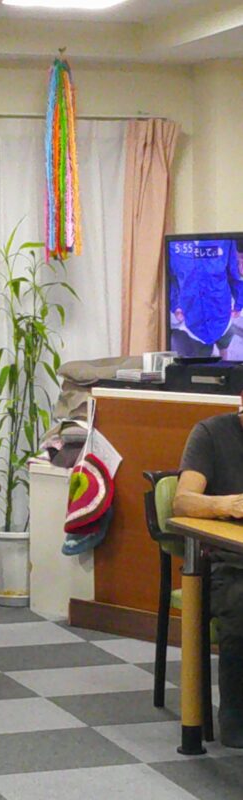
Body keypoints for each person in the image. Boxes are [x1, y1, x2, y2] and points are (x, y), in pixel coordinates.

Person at [174, 397, 243, 748]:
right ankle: (236, 719)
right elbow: (183, 500)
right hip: (226, 561)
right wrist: (224, 504)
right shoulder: (211, 433)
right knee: (240, 602)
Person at [169, 238, 243, 359]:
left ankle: (225, 360)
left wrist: (239, 304)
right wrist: (175, 306)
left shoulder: (224, 241)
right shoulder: (173, 245)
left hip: (221, 312)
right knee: (202, 354)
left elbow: (234, 274)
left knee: (225, 341)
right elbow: (169, 279)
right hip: (193, 317)